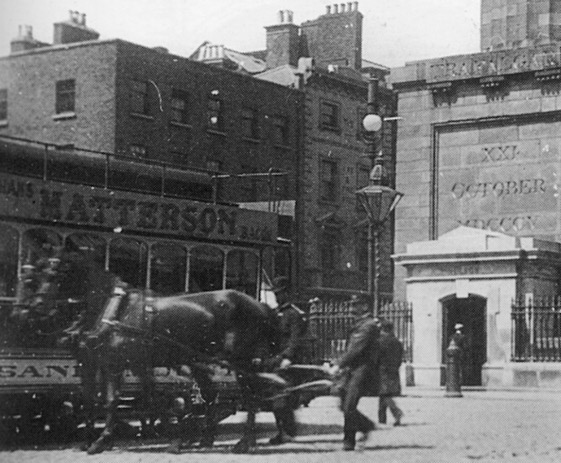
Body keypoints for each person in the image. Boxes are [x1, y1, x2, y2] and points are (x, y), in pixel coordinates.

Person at [335, 295, 380, 451]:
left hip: (363, 370)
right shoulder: (360, 324)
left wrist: (339, 364)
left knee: (349, 405)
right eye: (351, 304)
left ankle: (349, 442)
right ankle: (366, 425)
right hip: (352, 370)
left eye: (356, 305)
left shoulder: (369, 325)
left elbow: (357, 348)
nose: (351, 308)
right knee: (343, 403)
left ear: (365, 307)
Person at [267, 276, 307, 445]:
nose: (277, 297)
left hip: (288, 363)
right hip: (275, 360)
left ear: (287, 293)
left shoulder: (294, 315)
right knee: (275, 400)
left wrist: (288, 358)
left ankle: (288, 432)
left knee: (282, 400)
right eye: (276, 294)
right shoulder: (275, 313)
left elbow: (295, 340)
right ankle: (283, 431)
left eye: (280, 293)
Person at [378, 320, 404, 426]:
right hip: (393, 370)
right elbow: (400, 357)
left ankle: (396, 413)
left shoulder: (381, 341)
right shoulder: (396, 341)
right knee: (384, 394)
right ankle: (382, 419)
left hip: (382, 370)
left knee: (384, 393)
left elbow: (376, 357)